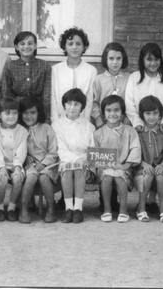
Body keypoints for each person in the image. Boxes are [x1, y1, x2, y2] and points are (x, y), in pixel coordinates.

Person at [94, 95, 141, 223]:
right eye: (109, 110)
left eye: (116, 110)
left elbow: (135, 149)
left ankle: (123, 209)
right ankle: (107, 209)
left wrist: (125, 166)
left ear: (122, 113)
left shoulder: (130, 131)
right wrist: (105, 165)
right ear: (103, 113)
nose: (112, 114)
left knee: (119, 176)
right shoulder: (98, 133)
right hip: (105, 167)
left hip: (124, 167)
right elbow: (95, 155)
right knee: (107, 177)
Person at [52, 88, 96, 223]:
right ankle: (68, 209)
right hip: (64, 162)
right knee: (69, 168)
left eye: (76, 104)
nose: (72, 107)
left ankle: (78, 209)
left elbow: (92, 148)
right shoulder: (56, 125)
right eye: (69, 103)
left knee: (77, 169)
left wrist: (83, 161)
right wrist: (76, 160)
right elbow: (60, 148)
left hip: (85, 165)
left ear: (82, 107)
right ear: (64, 105)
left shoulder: (89, 126)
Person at [18, 97, 59, 223]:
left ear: (39, 113)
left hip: (49, 164)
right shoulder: (19, 130)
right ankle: (23, 209)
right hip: (29, 164)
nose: (29, 116)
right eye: (25, 113)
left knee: (43, 177)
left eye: (33, 112)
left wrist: (43, 164)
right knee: (31, 176)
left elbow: (53, 150)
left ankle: (51, 209)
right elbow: (17, 151)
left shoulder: (47, 128)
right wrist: (27, 162)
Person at [133, 95, 163, 223]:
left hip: (159, 167)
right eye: (148, 113)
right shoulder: (138, 133)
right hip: (141, 168)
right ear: (142, 115)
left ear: (160, 114)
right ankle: (141, 208)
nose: (152, 117)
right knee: (147, 175)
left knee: (161, 175)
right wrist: (143, 164)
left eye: (155, 113)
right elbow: (133, 153)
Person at [0, 98, 28, 221]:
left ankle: (12, 207)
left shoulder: (22, 131)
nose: (11, 116)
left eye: (14, 113)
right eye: (7, 113)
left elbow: (21, 151)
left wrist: (17, 167)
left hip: (16, 164)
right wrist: (1, 167)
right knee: (2, 178)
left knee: (17, 178)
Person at [125, 42, 163, 133]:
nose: (153, 63)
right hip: (138, 127)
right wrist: (137, 122)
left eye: (156, 59)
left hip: (161, 128)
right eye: (149, 60)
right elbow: (129, 104)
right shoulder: (134, 78)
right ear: (142, 60)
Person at [2, 31, 51, 121]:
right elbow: (6, 93)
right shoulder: (10, 66)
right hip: (17, 110)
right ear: (17, 47)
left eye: (30, 43)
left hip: (38, 110)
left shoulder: (45, 65)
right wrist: (10, 114)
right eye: (22, 44)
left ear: (35, 46)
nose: (26, 46)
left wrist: (47, 117)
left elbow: (46, 95)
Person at [51, 27, 97, 121]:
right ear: (64, 46)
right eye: (70, 44)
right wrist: (55, 121)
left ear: (84, 47)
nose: (74, 47)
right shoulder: (55, 70)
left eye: (78, 44)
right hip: (60, 121)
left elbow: (89, 100)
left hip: (82, 122)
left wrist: (86, 121)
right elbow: (53, 99)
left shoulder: (91, 70)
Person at [91, 42, 131, 128]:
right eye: (111, 58)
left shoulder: (129, 78)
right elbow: (94, 102)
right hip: (104, 121)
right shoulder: (98, 79)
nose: (115, 62)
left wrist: (128, 117)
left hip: (123, 121)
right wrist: (98, 118)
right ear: (106, 59)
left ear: (123, 59)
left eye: (118, 58)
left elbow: (132, 100)